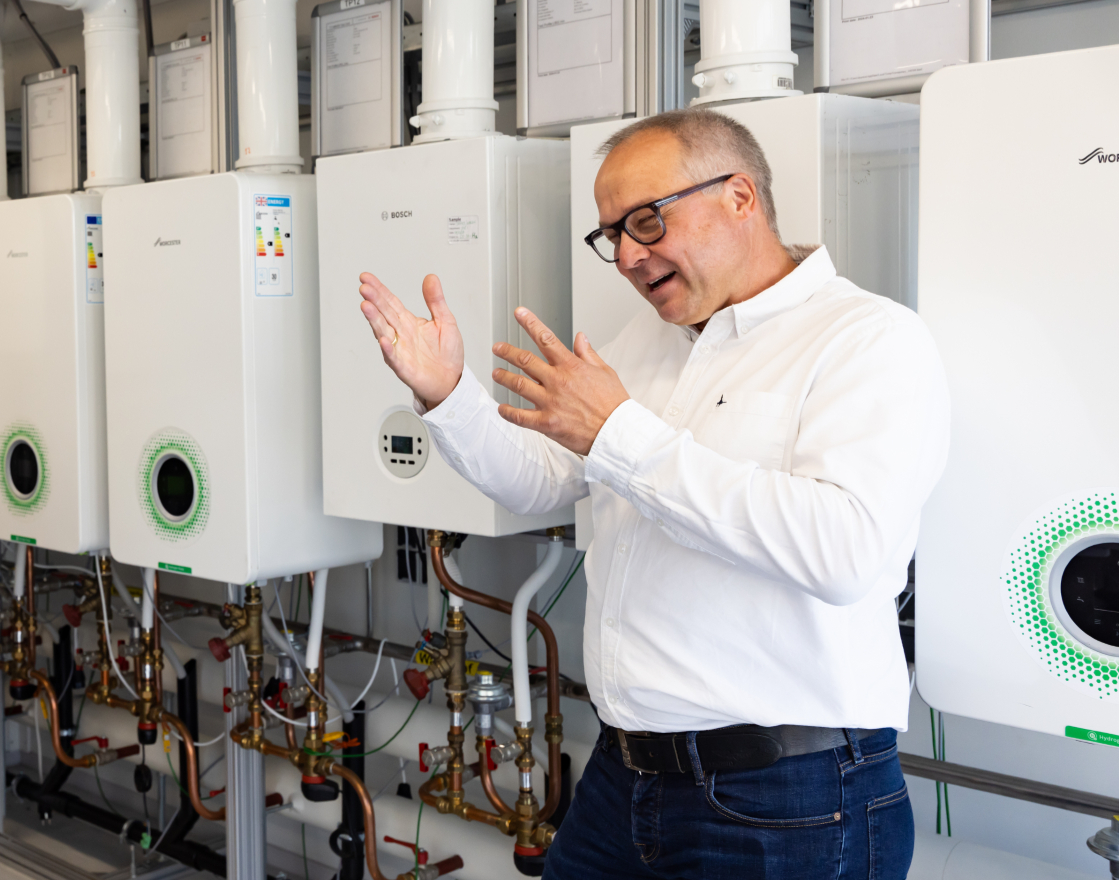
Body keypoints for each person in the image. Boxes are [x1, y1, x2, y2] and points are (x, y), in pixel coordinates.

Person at [357, 108, 948, 880]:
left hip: (789, 798)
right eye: (612, 236)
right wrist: (447, 396)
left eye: (646, 221)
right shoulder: (650, 348)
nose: (629, 257)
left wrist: (620, 434)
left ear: (740, 197)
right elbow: (542, 479)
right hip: (626, 776)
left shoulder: (867, 340)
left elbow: (844, 552)